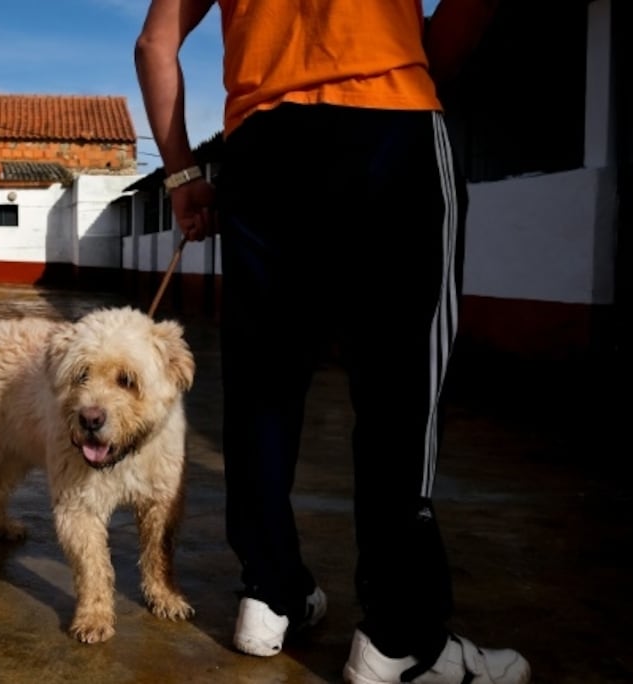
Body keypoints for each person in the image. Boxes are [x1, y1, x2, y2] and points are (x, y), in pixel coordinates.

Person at [133, 1, 530, 683]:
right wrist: (414, 72)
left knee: (264, 391)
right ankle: (396, 640)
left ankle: (268, 593)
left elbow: (154, 44)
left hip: (264, 148)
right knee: (399, 394)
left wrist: (182, 175)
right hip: (390, 126)